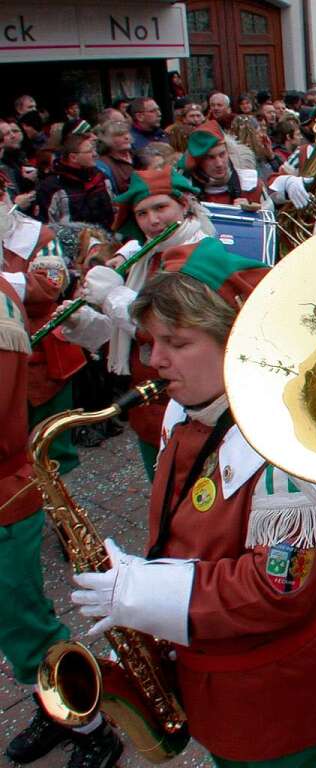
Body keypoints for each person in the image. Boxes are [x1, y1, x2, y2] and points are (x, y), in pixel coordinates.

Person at [68, 242, 316, 766]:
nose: (154, 360)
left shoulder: (289, 442)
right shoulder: (189, 407)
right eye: (152, 341)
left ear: (237, 341)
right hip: (214, 676)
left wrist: (143, 591)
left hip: (277, 703)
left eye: (177, 342)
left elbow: (279, 589)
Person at [0, 273, 124, 768]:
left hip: (5, 498)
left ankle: (92, 729)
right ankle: (51, 709)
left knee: (26, 628)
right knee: (17, 632)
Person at [60, 168, 216, 479]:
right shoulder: (145, 257)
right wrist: (83, 321)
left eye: (161, 208)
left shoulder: (203, 253)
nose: (152, 221)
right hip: (147, 401)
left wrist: (113, 296)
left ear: (183, 205)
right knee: (158, 486)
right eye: (142, 213)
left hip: (191, 403)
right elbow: (121, 337)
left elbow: (172, 328)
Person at [1, 173, 84, 475]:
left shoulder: (38, 236)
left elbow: (52, 285)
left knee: (51, 444)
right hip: (7, 360)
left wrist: (5, 285)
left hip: (43, 355)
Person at [177, 121, 268, 208]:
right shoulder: (182, 190)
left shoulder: (252, 186)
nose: (219, 164)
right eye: (210, 158)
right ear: (198, 161)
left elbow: (269, 219)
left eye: (222, 154)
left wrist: (252, 211)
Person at [35, 133, 114, 229]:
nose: (95, 154)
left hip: (107, 239)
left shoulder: (101, 177)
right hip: (73, 241)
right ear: (73, 157)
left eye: (94, 150)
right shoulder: (51, 187)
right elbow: (47, 225)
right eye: (89, 151)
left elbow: (115, 208)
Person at [94, 120, 137, 194]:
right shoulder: (103, 164)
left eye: (127, 133)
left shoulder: (138, 155)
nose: (126, 137)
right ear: (106, 139)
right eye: (120, 135)